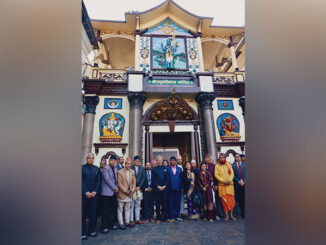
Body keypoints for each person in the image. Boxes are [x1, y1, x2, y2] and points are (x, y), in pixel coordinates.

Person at [82, 153, 101, 240]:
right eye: (89, 158)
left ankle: (92, 230)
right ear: (86, 159)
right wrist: (86, 192)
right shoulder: (82, 168)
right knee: (83, 214)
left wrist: (94, 192)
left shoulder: (97, 169)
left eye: (92, 158)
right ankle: (83, 232)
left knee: (93, 213)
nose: (91, 160)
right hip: (84, 195)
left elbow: (98, 182)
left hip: (94, 195)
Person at [214, 153, 237, 221]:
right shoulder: (217, 166)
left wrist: (229, 180)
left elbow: (232, 174)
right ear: (219, 158)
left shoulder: (229, 165)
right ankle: (226, 215)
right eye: (220, 157)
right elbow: (216, 175)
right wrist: (224, 181)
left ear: (225, 158)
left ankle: (232, 215)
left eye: (223, 157)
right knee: (224, 201)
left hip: (230, 185)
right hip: (222, 185)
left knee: (231, 200)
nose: (222, 158)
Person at [100, 155, 119, 234]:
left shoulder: (115, 169)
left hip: (113, 193)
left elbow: (117, 180)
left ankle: (111, 225)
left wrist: (117, 187)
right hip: (106, 193)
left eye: (114, 161)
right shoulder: (105, 169)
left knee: (112, 210)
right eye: (112, 160)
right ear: (109, 161)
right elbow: (107, 180)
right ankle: (104, 227)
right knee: (105, 210)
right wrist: (115, 188)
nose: (113, 162)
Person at [117, 157, 136, 229]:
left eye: (130, 164)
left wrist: (133, 189)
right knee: (120, 210)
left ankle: (127, 222)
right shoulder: (120, 172)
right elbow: (119, 184)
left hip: (130, 193)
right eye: (128, 164)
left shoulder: (132, 171)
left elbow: (134, 182)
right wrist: (126, 191)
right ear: (125, 164)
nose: (129, 165)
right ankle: (121, 223)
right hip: (122, 194)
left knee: (127, 209)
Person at [152, 155, 169, 224]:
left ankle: (166, 217)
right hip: (157, 189)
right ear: (156, 161)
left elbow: (168, 179)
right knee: (158, 204)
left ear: (162, 161)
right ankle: (158, 218)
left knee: (165, 203)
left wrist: (165, 185)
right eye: (158, 160)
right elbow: (153, 179)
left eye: (160, 160)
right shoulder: (154, 169)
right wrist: (158, 186)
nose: (159, 161)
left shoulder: (166, 168)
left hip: (164, 189)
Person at [205, 154, 222, 220]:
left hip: (212, 185)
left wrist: (216, 184)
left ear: (211, 159)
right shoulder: (204, 166)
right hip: (206, 186)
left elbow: (216, 176)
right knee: (207, 200)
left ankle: (216, 214)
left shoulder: (214, 166)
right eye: (206, 158)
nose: (206, 159)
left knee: (214, 200)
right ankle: (208, 214)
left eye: (208, 158)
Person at [167, 156, 183, 222]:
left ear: (176, 161)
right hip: (170, 188)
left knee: (177, 202)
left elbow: (182, 179)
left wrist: (182, 187)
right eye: (171, 160)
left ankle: (177, 215)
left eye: (174, 160)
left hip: (178, 188)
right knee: (171, 202)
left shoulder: (179, 169)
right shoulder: (167, 168)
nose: (173, 161)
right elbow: (166, 179)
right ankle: (172, 216)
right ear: (170, 161)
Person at [130, 155, 145, 225]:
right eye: (136, 161)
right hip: (132, 189)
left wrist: (139, 187)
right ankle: (131, 219)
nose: (138, 162)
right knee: (131, 205)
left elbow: (143, 178)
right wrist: (133, 187)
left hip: (139, 189)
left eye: (139, 161)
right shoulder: (131, 168)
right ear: (134, 161)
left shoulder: (142, 168)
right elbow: (129, 179)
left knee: (138, 205)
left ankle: (137, 219)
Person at [232, 154, 245, 219]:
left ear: (240, 157)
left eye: (238, 157)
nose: (237, 158)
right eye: (236, 157)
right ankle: (243, 213)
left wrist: (244, 181)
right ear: (234, 158)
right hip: (237, 185)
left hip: (245, 184)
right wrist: (238, 181)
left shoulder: (245, 164)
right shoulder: (232, 166)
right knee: (240, 200)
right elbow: (233, 175)